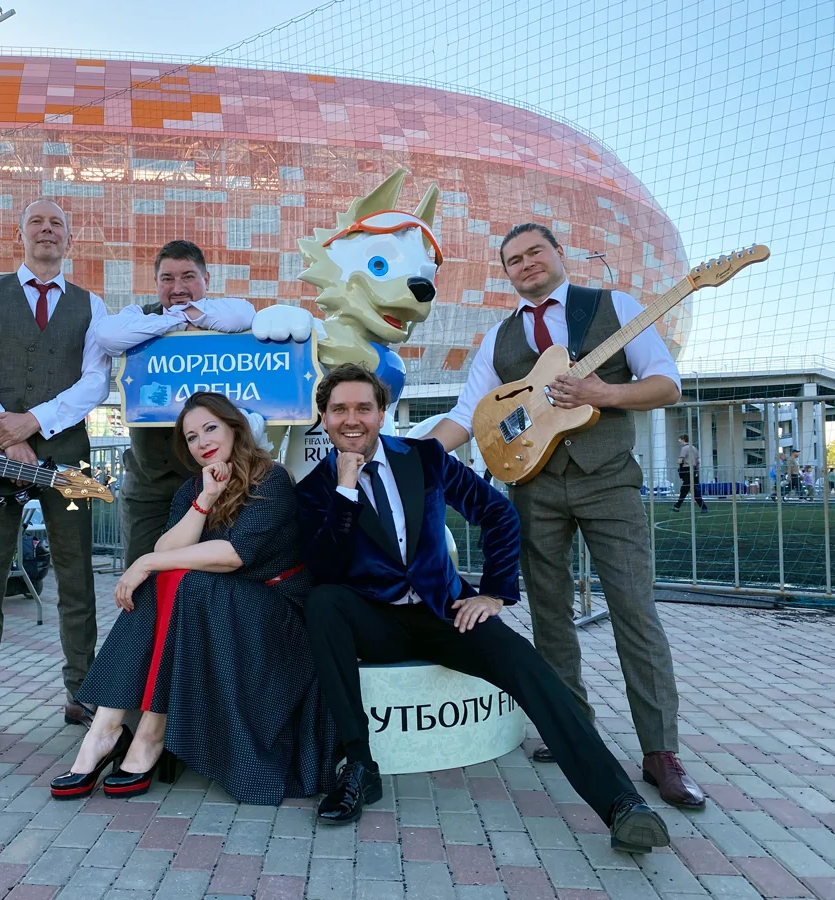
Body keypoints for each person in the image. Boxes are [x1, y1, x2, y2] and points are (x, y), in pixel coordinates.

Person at [296, 364, 669, 851]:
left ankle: (620, 804)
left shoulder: (424, 456)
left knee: (529, 667)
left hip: (444, 613)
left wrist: (493, 592)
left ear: (382, 414)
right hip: (373, 622)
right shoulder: (314, 490)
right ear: (324, 418)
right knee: (324, 601)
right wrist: (345, 490)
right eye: (339, 409)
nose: (352, 419)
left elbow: (497, 512)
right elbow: (325, 567)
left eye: (363, 408)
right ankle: (360, 767)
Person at [426, 223, 705, 809]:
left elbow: (666, 385)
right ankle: (571, 726)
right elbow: (468, 414)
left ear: (559, 254)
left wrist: (605, 395)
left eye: (535, 252)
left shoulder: (613, 306)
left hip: (609, 483)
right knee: (549, 613)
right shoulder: (498, 338)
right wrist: (410, 456)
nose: (526, 264)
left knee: (634, 609)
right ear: (506, 273)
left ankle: (660, 751)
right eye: (514, 260)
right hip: (534, 487)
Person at [50, 392, 338, 804]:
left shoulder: (271, 479)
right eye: (191, 437)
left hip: (277, 612)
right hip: (219, 606)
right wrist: (204, 501)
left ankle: (147, 734)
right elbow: (168, 550)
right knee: (168, 580)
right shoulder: (194, 487)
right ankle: (106, 730)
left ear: (234, 428)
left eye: (210, 428)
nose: (202, 442)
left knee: (178, 580)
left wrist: (146, 562)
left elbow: (234, 555)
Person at [0, 198, 110, 750]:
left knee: (77, 575)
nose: (47, 230)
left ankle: (82, 693)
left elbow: (96, 382)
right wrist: (7, 434)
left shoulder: (92, 305)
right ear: (18, 235)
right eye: (37, 222)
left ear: (70, 239)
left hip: (69, 456)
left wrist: (34, 421)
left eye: (56, 223)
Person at [93, 240, 256, 567]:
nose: (178, 287)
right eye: (167, 278)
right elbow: (107, 336)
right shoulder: (138, 317)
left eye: (188, 277)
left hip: (211, 481)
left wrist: (194, 316)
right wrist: (174, 321)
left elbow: (245, 314)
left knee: (202, 574)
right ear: (156, 282)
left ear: (205, 279)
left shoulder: (222, 315)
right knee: (142, 572)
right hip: (148, 487)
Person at [674, 434, 707, 512]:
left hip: (687, 469)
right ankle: (677, 506)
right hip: (694, 469)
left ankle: (677, 506)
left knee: (685, 489)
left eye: (679, 439)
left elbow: (680, 460)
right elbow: (697, 461)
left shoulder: (684, 448)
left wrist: (679, 463)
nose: (679, 441)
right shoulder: (694, 448)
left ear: (683, 439)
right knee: (692, 489)